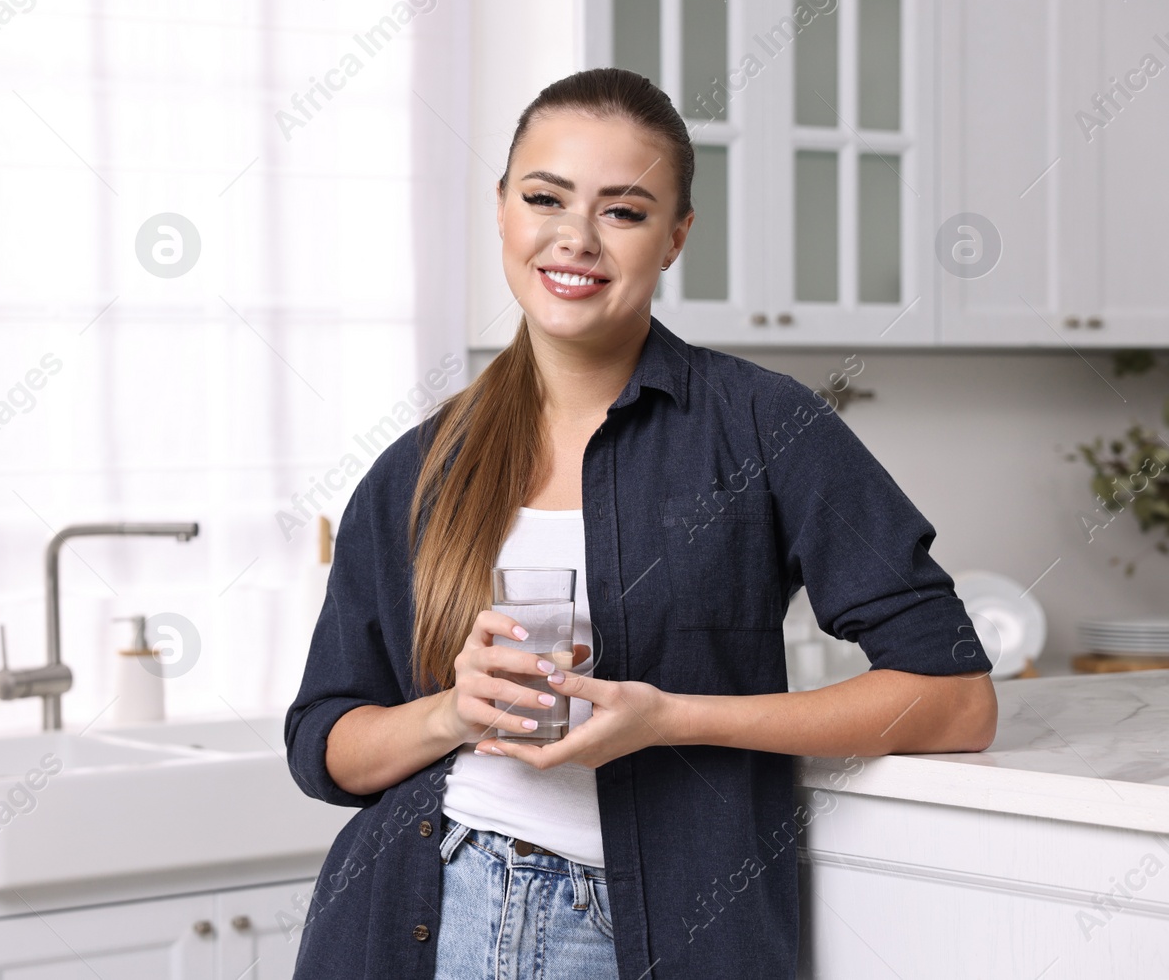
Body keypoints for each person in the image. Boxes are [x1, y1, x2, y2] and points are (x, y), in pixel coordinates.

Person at [283, 67, 997, 980]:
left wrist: (672, 718)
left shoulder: (764, 429)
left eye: (623, 210)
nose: (575, 238)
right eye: (545, 197)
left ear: (674, 238)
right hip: (421, 915)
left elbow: (956, 699)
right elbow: (323, 744)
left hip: (652, 934)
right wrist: (452, 712)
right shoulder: (421, 466)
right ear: (502, 210)